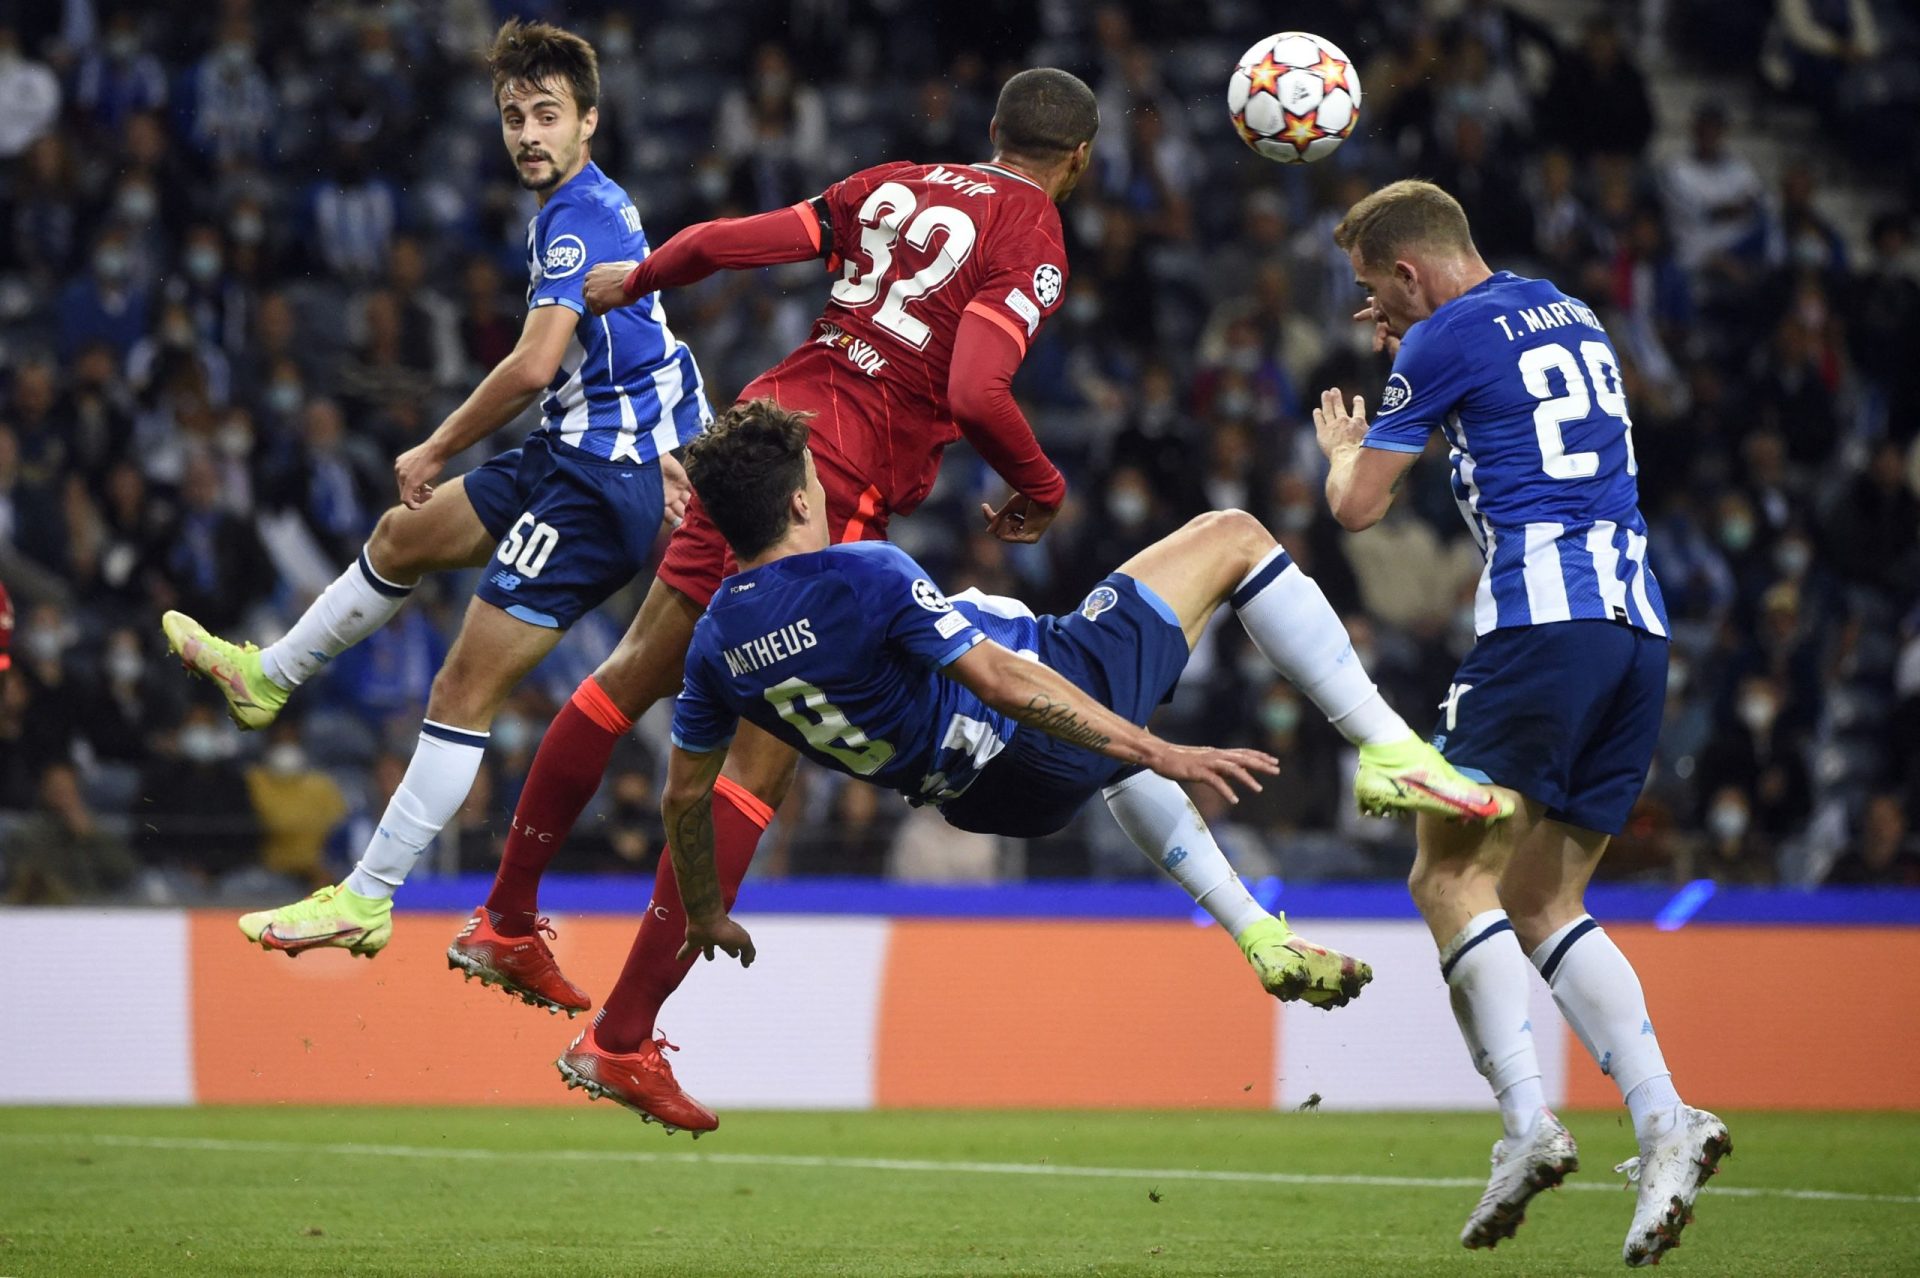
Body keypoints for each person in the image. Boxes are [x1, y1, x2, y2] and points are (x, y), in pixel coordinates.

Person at [553, 400, 1503, 1132]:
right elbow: (1006, 680)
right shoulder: (866, 573)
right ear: (804, 499)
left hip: (979, 799)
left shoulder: (718, 639)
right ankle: (1391, 749)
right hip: (1028, 725)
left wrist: (709, 905)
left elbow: (686, 794)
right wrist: (1157, 747)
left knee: (1098, 739)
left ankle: (1260, 934)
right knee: (1235, 538)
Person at [445, 69, 1103, 1019]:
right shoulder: (1032, 232)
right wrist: (1044, 486)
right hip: (832, 486)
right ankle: (623, 1037)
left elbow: (720, 242)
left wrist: (638, 277)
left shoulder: (897, 179)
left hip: (759, 429)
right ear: (1077, 158)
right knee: (761, 762)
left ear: (993, 129)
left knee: (630, 673)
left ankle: (505, 917)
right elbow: (974, 394)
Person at [161, 20, 707, 958]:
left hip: (593, 484)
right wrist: (684, 445)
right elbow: (653, 348)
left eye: (547, 115)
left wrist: (437, 442)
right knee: (400, 538)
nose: (528, 134)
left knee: (462, 684)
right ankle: (266, 678)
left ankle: (368, 897)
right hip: (572, 453)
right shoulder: (589, 207)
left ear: (591, 123)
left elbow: (536, 364)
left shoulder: (577, 219)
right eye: (512, 116)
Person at [1312, 179, 1728, 1267]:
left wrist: (1343, 450)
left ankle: (1527, 1125)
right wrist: (1415, 334)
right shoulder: (1570, 309)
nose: (1373, 315)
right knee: (1545, 897)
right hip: (1635, 630)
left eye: (1374, 290)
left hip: (1541, 626)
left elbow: (1358, 509)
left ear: (1408, 270)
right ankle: (1667, 1122)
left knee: (1446, 878)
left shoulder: (1436, 340)